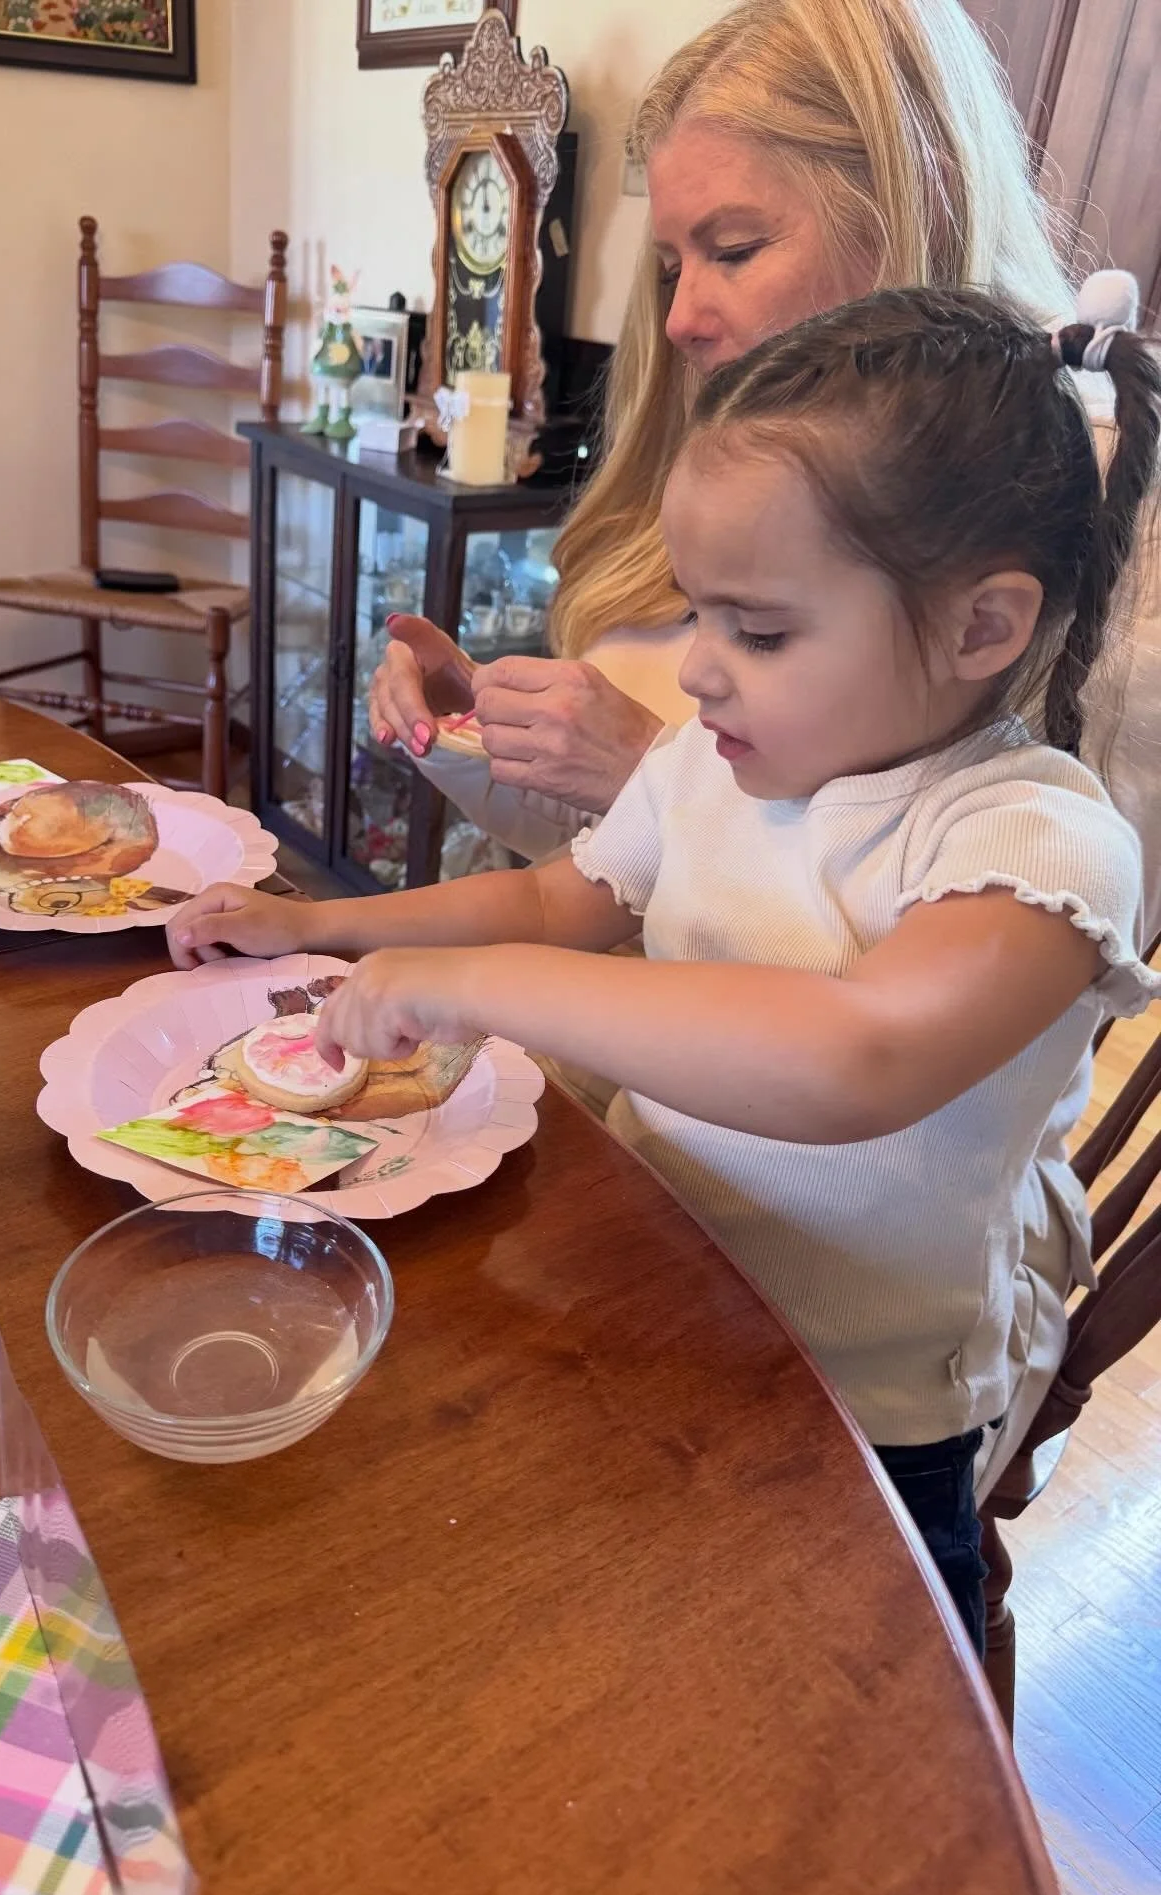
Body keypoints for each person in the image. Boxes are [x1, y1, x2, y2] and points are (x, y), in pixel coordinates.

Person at [165, 288, 1160, 1651]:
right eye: (700, 614)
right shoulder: (710, 764)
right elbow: (559, 897)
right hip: (649, 1284)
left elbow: (855, 1056)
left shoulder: (1036, 843)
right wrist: (322, 929)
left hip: (860, 1418)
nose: (697, 671)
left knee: (824, 1704)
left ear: (984, 627)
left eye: (760, 632)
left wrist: (472, 990)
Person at [368, 0, 1161, 945]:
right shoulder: (727, 447)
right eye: (671, 267)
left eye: (735, 251)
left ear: (920, 197)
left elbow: (1053, 948)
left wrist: (661, 777)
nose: (678, 320)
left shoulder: (1106, 519)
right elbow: (597, 876)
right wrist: (478, 736)